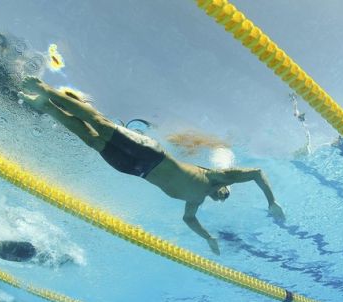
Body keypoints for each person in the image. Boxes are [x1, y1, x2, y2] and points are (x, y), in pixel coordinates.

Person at [18, 77, 285, 255]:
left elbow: (189, 219)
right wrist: (271, 202)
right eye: (228, 191)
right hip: (151, 154)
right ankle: (46, 90)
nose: (224, 196)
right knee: (100, 124)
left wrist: (208, 238)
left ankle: (47, 107)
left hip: (136, 170)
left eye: (225, 197)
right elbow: (257, 174)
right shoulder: (216, 178)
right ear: (226, 185)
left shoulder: (196, 200)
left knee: (91, 140)